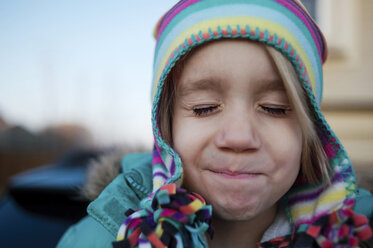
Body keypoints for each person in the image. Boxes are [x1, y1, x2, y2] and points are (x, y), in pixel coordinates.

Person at [57, 0, 373, 247]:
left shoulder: (360, 236)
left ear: (311, 130)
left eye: (274, 108)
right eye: (205, 108)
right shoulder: (99, 240)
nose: (238, 136)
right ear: (165, 127)